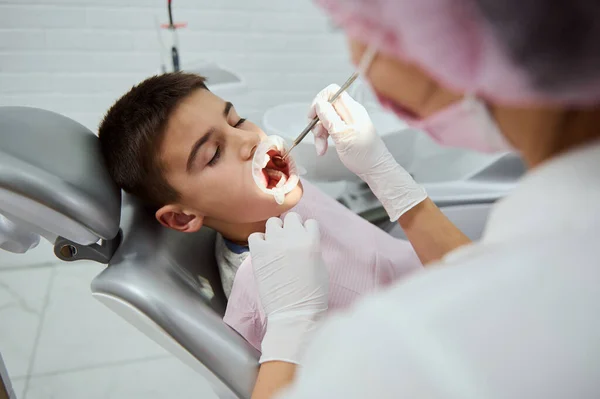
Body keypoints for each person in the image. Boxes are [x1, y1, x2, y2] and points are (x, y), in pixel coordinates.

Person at [248, 0, 600, 398]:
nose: (355, 55)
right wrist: (386, 175)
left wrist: (289, 328)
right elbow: (485, 272)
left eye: (361, 27)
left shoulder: (405, 352)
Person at [96, 72, 428, 351]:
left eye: (236, 120)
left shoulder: (279, 193)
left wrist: (382, 172)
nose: (249, 140)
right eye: (213, 154)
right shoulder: (265, 300)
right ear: (183, 217)